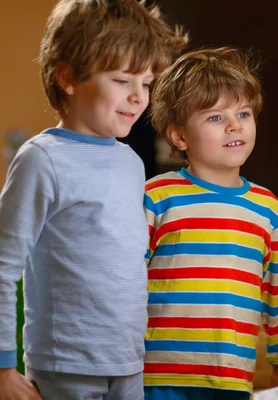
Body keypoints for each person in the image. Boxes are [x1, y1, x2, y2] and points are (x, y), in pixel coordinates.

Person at [0, 1, 187, 399]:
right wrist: (2, 369)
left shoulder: (132, 163)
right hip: (65, 367)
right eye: (123, 80)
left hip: (129, 364)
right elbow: (2, 265)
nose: (139, 97)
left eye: (147, 83)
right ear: (68, 77)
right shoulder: (41, 160)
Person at [143, 47, 278, 400]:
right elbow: (123, 283)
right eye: (215, 117)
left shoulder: (267, 209)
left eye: (243, 113)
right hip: (154, 376)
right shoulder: (155, 197)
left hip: (232, 379)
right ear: (179, 136)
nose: (235, 125)